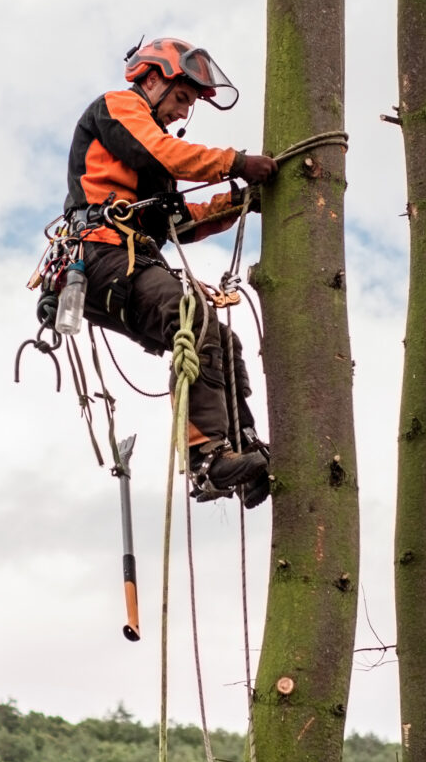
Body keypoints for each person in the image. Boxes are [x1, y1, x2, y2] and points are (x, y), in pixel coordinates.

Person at [62, 38, 276, 504]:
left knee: (219, 337)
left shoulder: (152, 170)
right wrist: (236, 163)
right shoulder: (117, 108)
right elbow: (164, 152)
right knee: (190, 316)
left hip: (129, 260)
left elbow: (177, 223)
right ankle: (206, 459)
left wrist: (237, 202)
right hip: (101, 256)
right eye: (182, 98)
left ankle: (241, 449)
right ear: (153, 78)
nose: (182, 113)